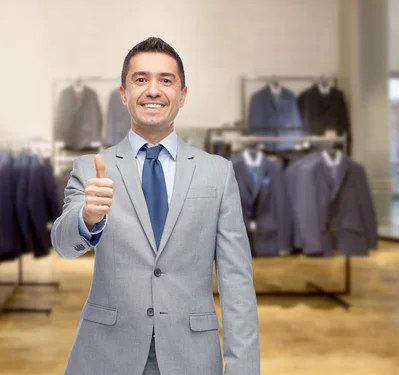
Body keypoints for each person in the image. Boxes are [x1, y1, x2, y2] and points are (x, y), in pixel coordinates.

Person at [51, 37, 260, 375]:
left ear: (182, 94)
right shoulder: (91, 168)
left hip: (191, 358)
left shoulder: (217, 173)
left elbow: (237, 282)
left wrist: (243, 369)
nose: (153, 90)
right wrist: (87, 217)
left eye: (166, 80)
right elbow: (63, 245)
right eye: (140, 79)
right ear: (124, 94)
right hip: (105, 355)